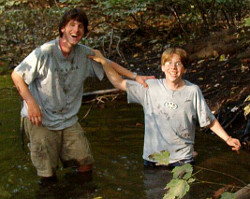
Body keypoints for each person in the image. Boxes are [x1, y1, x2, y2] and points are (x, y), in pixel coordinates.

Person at [11, 8, 154, 185]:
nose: (76, 30)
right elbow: (17, 75)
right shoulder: (45, 52)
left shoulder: (84, 53)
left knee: (85, 163)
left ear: (84, 31)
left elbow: (109, 63)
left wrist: (134, 76)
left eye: (80, 26)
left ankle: (80, 192)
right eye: (72, 25)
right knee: (47, 173)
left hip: (68, 118)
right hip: (41, 118)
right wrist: (31, 103)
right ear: (63, 28)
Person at [89, 47, 241, 169]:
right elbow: (119, 83)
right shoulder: (150, 87)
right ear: (162, 67)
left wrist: (228, 139)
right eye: (168, 63)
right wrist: (104, 62)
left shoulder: (193, 91)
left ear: (185, 69)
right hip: (153, 158)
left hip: (182, 160)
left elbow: (209, 120)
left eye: (178, 63)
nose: (173, 68)